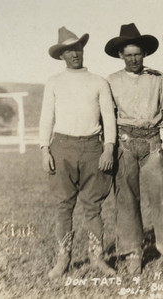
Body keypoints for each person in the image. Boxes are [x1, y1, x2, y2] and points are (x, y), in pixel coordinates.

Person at [104, 23, 163, 274]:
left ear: (144, 54)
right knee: (126, 199)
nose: (134, 59)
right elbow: (107, 116)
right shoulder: (111, 81)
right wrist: (111, 146)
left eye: (137, 54)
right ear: (120, 56)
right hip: (125, 143)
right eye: (128, 55)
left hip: (153, 143)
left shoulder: (158, 79)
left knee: (162, 197)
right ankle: (132, 252)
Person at [40, 26, 117, 278]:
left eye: (77, 48)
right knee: (64, 206)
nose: (74, 54)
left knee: (93, 206)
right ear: (61, 55)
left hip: (93, 148)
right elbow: (46, 118)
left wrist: (109, 148)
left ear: (83, 50)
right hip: (61, 147)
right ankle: (63, 260)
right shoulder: (53, 82)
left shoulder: (99, 81)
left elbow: (109, 117)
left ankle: (97, 258)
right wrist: (44, 149)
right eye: (68, 51)